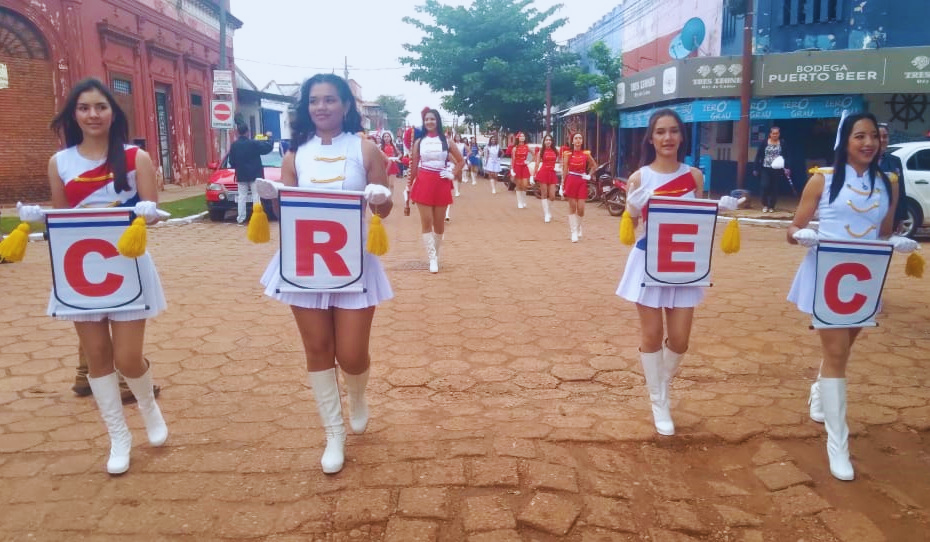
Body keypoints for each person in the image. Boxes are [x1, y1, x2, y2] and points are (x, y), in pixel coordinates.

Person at [21, 77, 169, 474]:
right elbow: (63, 223)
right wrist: (39, 219)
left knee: (128, 357)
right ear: (74, 114)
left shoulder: (135, 157)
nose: (92, 114)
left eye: (100, 107)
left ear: (113, 112)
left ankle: (149, 407)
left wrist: (148, 213)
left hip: (127, 267)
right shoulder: (60, 162)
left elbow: (150, 216)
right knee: (98, 358)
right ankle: (118, 437)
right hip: (79, 272)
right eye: (84, 107)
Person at [252, 74, 394, 474]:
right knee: (317, 349)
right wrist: (271, 199)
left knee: (350, 355)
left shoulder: (365, 150)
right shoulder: (294, 156)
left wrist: (380, 198)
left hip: (354, 261)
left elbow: (382, 208)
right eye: (314, 101)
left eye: (330, 99)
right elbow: (289, 215)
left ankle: (358, 394)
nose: (322, 107)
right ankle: (334, 433)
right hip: (305, 263)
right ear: (306, 107)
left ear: (346, 105)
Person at [788, 112, 916, 481]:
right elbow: (793, 226)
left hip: (864, 278)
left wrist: (896, 242)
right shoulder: (822, 180)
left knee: (844, 348)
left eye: (873, 136)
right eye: (859, 136)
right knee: (837, 353)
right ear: (845, 141)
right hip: (827, 273)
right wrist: (802, 234)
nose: (868, 143)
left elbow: (884, 232)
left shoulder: (888, 182)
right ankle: (838, 445)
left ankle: (818, 390)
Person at [615, 109, 738, 436]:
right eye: (660, 132)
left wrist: (721, 209)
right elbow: (629, 228)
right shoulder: (639, 178)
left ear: (682, 136)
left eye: (673, 131)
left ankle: (659, 384)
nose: (667, 138)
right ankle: (660, 401)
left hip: (684, 264)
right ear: (651, 138)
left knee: (681, 340)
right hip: (648, 260)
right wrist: (631, 211)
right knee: (652, 334)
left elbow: (697, 219)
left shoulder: (695, 176)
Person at [408, 109, 465, 273]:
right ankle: (432, 258)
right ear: (424, 122)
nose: (429, 122)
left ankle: (436, 254)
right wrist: (408, 186)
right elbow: (413, 166)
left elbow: (461, 161)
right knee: (426, 221)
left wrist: (452, 173)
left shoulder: (447, 141)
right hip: (424, 181)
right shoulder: (419, 142)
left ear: (437, 121)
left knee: (439, 224)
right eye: (427, 120)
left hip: (441, 181)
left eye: (432, 119)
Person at [228, 124, 274, 224]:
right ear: (247, 132)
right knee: (256, 196)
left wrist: (238, 166)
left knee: (241, 196)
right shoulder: (253, 143)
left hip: (241, 174)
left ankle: (240, 218)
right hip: (255, 174)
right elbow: (267, 148)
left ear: (238, 132)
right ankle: (256, 217)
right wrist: (270, 138)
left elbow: (231, 161)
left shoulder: (234, 145)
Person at [560, 133, 597, 242]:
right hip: (571, 180)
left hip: (581, 181)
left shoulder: (586, 154)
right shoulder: (568, 154)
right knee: (572, 207)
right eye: (576, 138)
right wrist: (562, 185)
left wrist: (589, 175)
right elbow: (565, 169)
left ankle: (578, 226)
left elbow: (594, 165)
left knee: (581, 208)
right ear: (572, 141)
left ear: (582, 141)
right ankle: (574, 232)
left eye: (580, 138)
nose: (578, 140)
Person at [877, 123, 909, 234]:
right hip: (869, 214)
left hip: (890, 216)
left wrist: (901, 218)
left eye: (885, 136)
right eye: (877, 136)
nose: (882, 140)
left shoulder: (895, 161)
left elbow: (901, 191)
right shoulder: (863, 161)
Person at [754, 126, 789, 213]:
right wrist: (756, 168)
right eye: (773, 133)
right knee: (764, 185)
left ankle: (772, 206)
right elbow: (758, 156)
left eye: (776, 133)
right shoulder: (764, 143)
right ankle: (765, 204)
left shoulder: (782, 143)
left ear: (779, 134)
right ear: (770, 134)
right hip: (765, 168)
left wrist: (787, 168)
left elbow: (786, 156)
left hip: (777, 169)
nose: (775, 135)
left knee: (774, 188)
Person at [534, 134, 560, 223]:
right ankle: (546, 214)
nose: (548, 141)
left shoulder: (555, 151)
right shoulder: (541, 151)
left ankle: (548, 210)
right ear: (544, 142)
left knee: (552, 196)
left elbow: (560, 162)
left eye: (550, 140)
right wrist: (533, 175)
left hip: (552, 173)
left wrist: (559, 168)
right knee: (544, 194)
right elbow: (537, 163)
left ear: (552, 141)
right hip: (543, 173)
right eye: (546, 140)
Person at [510, 132, 533, 209]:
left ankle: (524, 200)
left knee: (525, 185)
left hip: (524, 167)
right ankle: (519, 202)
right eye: (521, 136)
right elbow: (513, 159)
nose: (522, 137)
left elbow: (534, 154)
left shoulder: (527, 147)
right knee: (519, 185)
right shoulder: (515, 148)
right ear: (518, 138)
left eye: (523, 136)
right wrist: (512, 169)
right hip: (517, 166)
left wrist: (529, 161)